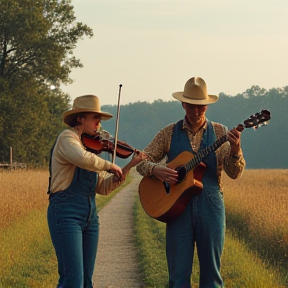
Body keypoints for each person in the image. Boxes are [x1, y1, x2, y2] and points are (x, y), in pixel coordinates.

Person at [136, 77, 246, 288]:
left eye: (201, 106)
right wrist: (156, 170)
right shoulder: (168, 133)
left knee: (212, 278)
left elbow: (234, 173)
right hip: (177, 210)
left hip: (211, 208)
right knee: (177, 277)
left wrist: (235, 150)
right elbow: (142, 160)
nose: (196, 112)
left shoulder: (222, 132)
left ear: (207, 105)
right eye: (192, 106)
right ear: (183, 104)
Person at [47, 94, 146, 288]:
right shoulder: (67, 138)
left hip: (90, 215)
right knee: (72, 280)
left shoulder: (93, 149)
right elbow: (81, 157)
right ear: (80, 119)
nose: (99, 124)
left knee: (86, 281)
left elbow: (102, 188)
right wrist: (109, 165)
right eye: (95, 118)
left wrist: (128, 167)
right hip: (66, 212)